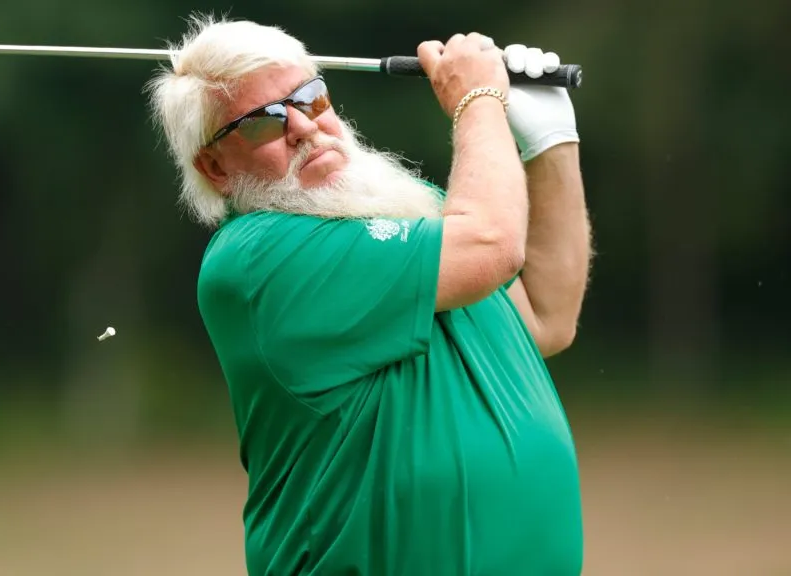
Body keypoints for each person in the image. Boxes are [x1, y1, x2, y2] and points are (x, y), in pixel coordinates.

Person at [147, 14, 592, 576]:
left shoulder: (411, 208)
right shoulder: (256, 257)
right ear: (214, 167)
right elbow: (491, 243)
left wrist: (552, 141)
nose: (303, 127)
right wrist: (478, 99)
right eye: (262, 122)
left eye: (310, 98)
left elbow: (547, 318)